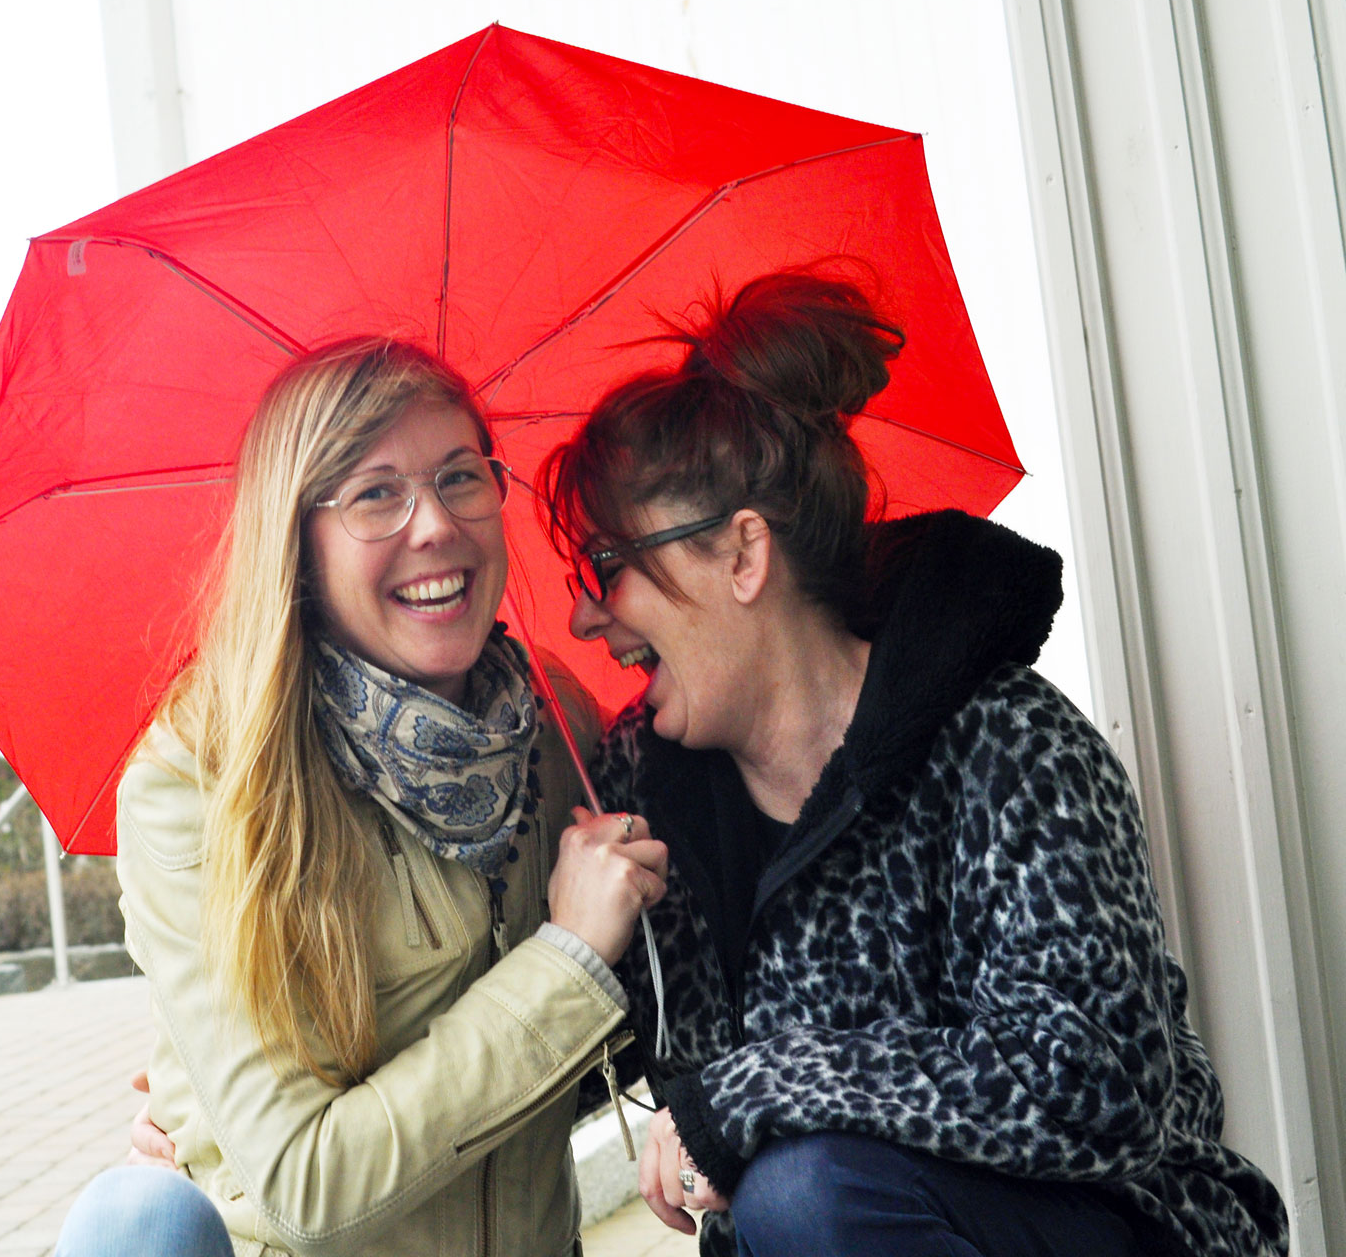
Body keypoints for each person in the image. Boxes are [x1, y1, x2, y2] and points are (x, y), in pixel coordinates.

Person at [540, 268, 1290, 1256]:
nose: (587, 615)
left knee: (803, 1192)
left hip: (1123, 1229)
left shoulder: (1008, 747)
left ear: (741, 555)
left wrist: (756, 1089)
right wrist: (576, 946)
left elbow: (1098, 1082)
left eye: (607, 566)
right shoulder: (645, 802)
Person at [53, 338, 668, 1257]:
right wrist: (567, 959)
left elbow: (578, 1060)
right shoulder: (201, 783)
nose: (434, 525)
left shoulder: (553, 731)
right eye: (376, 494)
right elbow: (307, 1184)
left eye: (462, 476)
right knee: (135, 1223)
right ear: (296, 544)